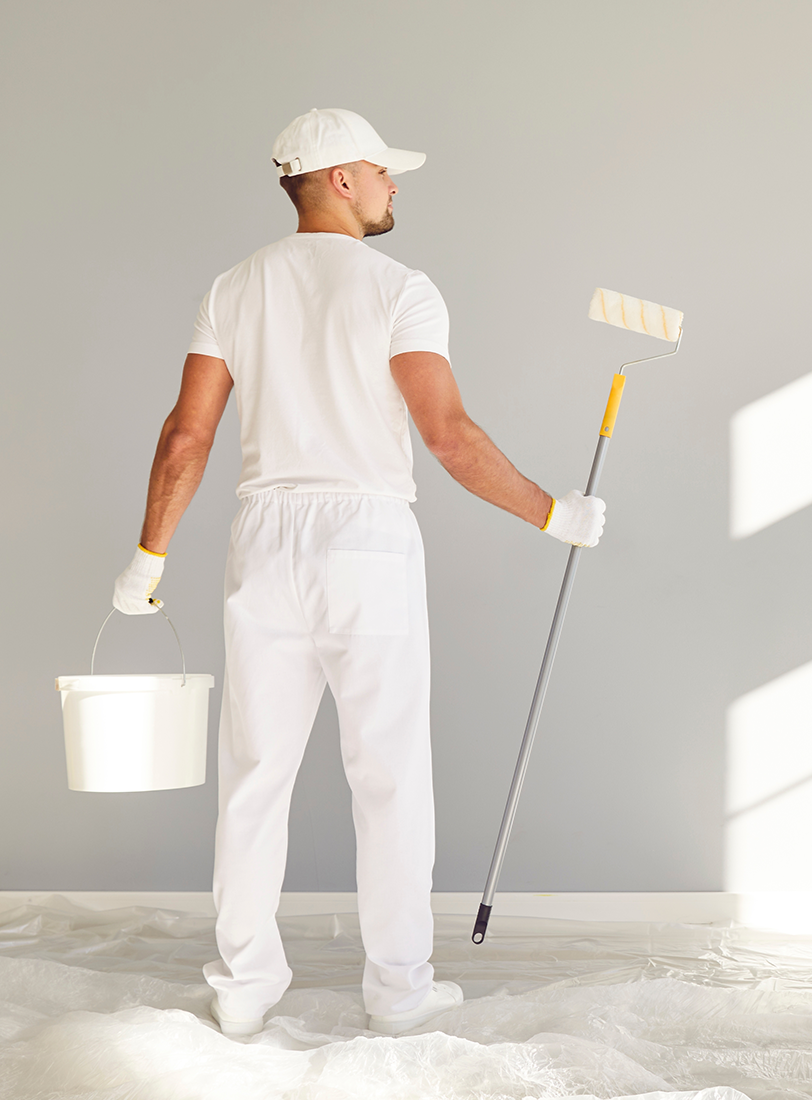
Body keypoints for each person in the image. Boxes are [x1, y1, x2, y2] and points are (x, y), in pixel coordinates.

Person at [112, 107, 606, 1039]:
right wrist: (556, 513)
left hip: (262, 540)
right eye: (382, 172)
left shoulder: (233, 288)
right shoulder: (400, 288)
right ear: (339, 178)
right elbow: (448, 439)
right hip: (367, 538)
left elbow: (188, 434)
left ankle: (245, 986)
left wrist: (149, 555)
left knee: (254, 774)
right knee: (388, 772)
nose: (393, 186)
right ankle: (398, 991)